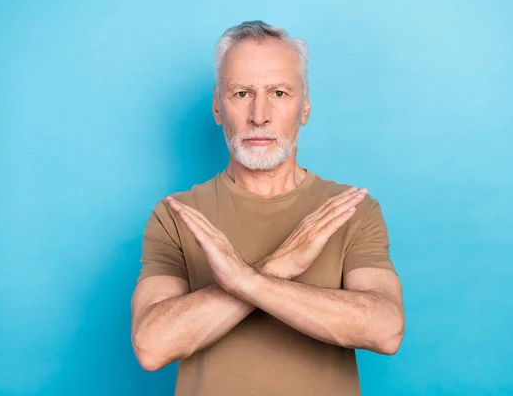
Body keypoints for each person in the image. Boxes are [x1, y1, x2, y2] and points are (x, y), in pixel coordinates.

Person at [130, 20, 405, 396]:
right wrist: (279, 267)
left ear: (304, 106)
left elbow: (386, 330)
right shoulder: (177, 214)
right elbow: (152, 346)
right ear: (217, 106)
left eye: (278, 92)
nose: (259, 115)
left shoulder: (350, 209)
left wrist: (246, 280)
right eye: (242, 93)